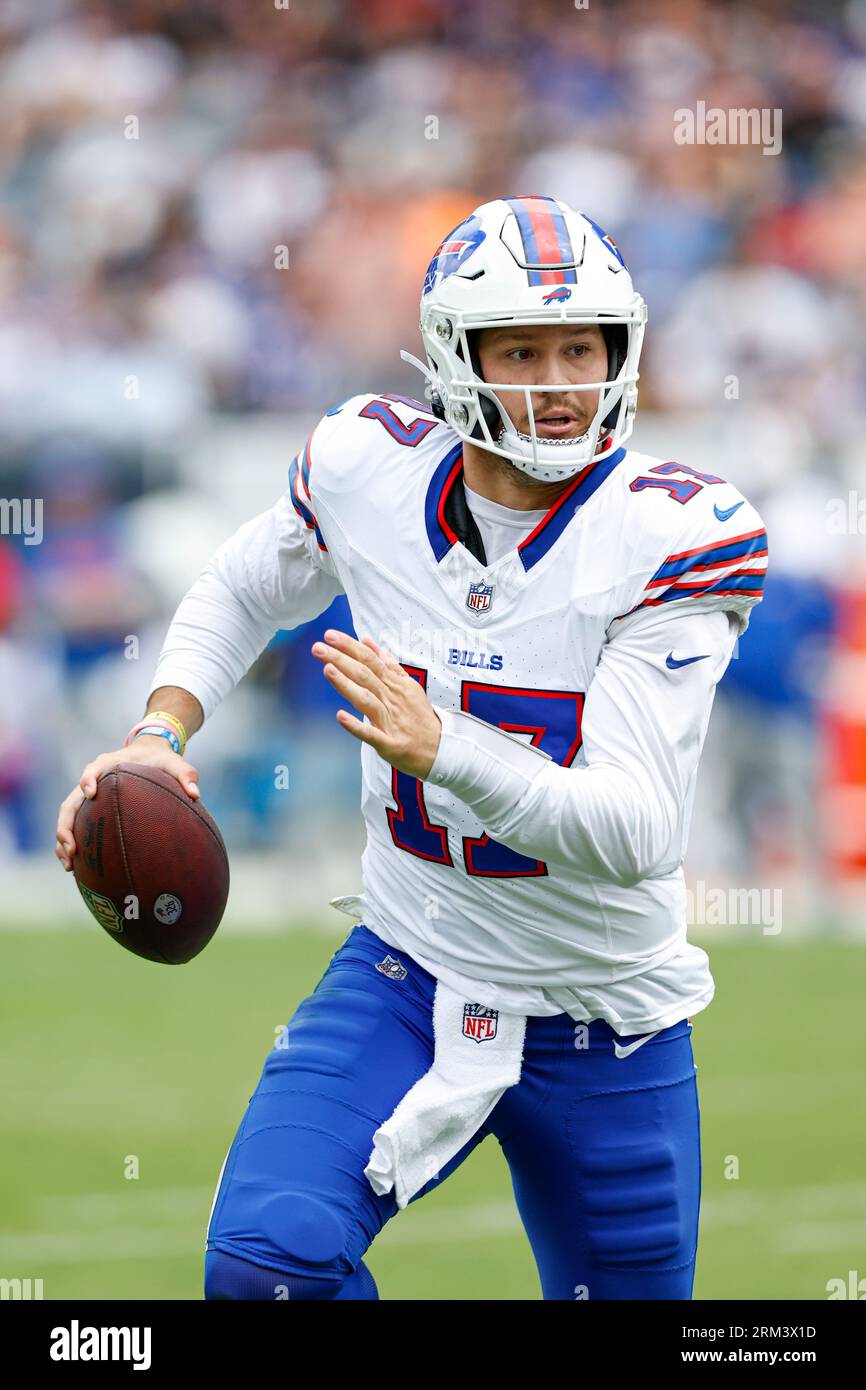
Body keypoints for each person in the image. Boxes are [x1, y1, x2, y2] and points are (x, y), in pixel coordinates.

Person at [55, 195, 768, 1300]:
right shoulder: (366, 467)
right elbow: (248, 582)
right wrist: (158, 733)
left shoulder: (673, 533)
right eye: (520, 349)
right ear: (452, 355)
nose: (557, 377)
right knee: (264, 1270)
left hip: (601, 1015)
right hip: (408, 967)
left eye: (579, 345)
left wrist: (445, 748)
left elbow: (636, 831)